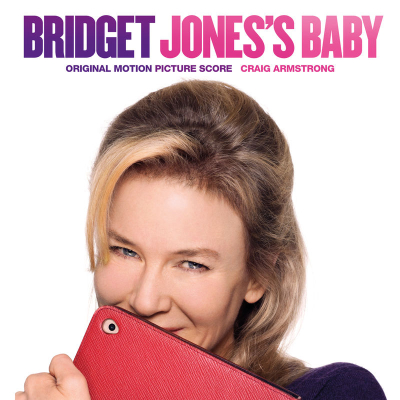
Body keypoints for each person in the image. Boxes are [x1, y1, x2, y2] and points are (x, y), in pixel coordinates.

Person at [16, 80, 386, 400]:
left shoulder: (333, 392)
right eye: (125, 250)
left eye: (192, 264)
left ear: (259, 275)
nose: (145, 301)